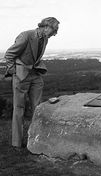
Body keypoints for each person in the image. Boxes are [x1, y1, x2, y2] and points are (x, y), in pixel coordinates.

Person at [4, 17, 60, 149]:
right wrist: (14, 71)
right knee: (19, 109)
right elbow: (9, 54)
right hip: (21, 76)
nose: (55, 33)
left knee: (38, 107)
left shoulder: (45, 38)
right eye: (54, 30)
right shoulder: (26, 35)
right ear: (46, 26)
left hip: (35, 75)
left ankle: (37, 139)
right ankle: (16, 143)